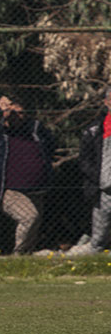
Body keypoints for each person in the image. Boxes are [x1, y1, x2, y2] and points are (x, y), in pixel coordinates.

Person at [0, 95, 55, 254]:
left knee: (34, 224)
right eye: (13, 112)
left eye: (21, 113)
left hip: (36, 188)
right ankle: (19, 255)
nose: (18, 116)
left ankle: (26, 257)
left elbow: (51, 145)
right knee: (29, 217)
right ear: (5, 113)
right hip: (7, 189)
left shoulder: (35, 129)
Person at [67, 87, 111, 256]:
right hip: (103, 190)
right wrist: (99, 178)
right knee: (98, 240)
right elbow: (85, 160)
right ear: (106, 102)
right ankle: (78, 256)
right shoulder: (94, 130)